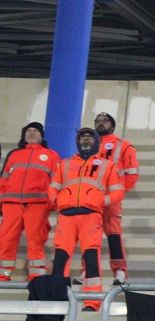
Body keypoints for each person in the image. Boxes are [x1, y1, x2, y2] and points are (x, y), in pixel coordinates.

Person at [48, 128, 122, 311]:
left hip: (91, 216)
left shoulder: (107, 165)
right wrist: (57, 200)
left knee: (91, 258)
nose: (86, 140)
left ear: (97, 142)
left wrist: (101, 201)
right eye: (83, 138)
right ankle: (57, 297)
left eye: (90, 137)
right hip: (66, 216)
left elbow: (118, 191)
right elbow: (53, 187)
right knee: (60, 259)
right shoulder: (65, 164)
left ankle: (92, 301)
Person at [0, 122, 60, 281]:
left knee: (36, 240)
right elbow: (3, 179)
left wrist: (51, 204)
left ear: (41, 136)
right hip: (11, 203)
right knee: (6, 239)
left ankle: (36, 276)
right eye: (28, 131)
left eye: (35, 131)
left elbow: (56, 181)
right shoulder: (14, 154)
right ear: (24, 135)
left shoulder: (51, 155)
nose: (31, 133)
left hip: (37, 203)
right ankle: (3, 274)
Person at [93, 112, 139, 283]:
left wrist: (118, 192)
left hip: (111, 199)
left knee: (113, 234)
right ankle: (88, 271)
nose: (101, 123)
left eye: (105, 121)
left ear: (112, 126)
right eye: (98, 121)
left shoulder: (123, 146)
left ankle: (120, 270)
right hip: (91, 198)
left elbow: (132, 174)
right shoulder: (89, 144)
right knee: (90, 236)